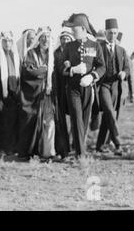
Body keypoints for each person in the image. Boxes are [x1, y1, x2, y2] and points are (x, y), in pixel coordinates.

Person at [62, 14, 105, 158]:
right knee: (76, 118)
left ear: (83, 28)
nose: (73, 31)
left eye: (75, 28)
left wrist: (92, 76)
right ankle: (81, 155)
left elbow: (101, 66)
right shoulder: (69, 46)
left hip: (88, 87)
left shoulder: (95, 45)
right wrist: (72, 70)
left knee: (84, 121)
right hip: (73, 88)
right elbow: (62, 69)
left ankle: (78, 146)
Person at [17, 27, 55, 159]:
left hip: (49, 96)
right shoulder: (31, 53)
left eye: (48, 37)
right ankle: (26, 153)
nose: (45, 40)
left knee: (48, 124)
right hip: (32, 95)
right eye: (43, 37)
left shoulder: (53, 54)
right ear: (39, 39)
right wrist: (43, 71)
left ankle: (45, 152)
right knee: (30, 121)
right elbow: (28, 71)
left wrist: (40, 71)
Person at [95, 19, 130, 156]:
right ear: (105, 33)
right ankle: (118, 143)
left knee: (107, 117)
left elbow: (127, 67)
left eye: (115, 33)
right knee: (109, 111)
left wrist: (124, 73)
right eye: (110, 33)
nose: (113, 36)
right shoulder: (99, 47)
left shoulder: (121, 50)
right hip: (103, 85)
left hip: (116, 86)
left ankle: (99, 145)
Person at [0, 31, 20, 155]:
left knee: (12, 123)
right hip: (2, 96)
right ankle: (1, 148)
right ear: (1, 43)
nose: (7, 43)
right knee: (2, 123)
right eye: (5, 41)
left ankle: (11, 148)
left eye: (10, 41)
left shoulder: (15, 56)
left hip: (14, 95)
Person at [53, 29, 74, 158]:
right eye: (63, 38)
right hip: (59, 89)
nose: (65, 40)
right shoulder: (55, 53)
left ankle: (74, 144)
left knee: (74, 117)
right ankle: (63, 146)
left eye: (67, 38)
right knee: (60, 119)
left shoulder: (74, 53)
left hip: (72, 88)